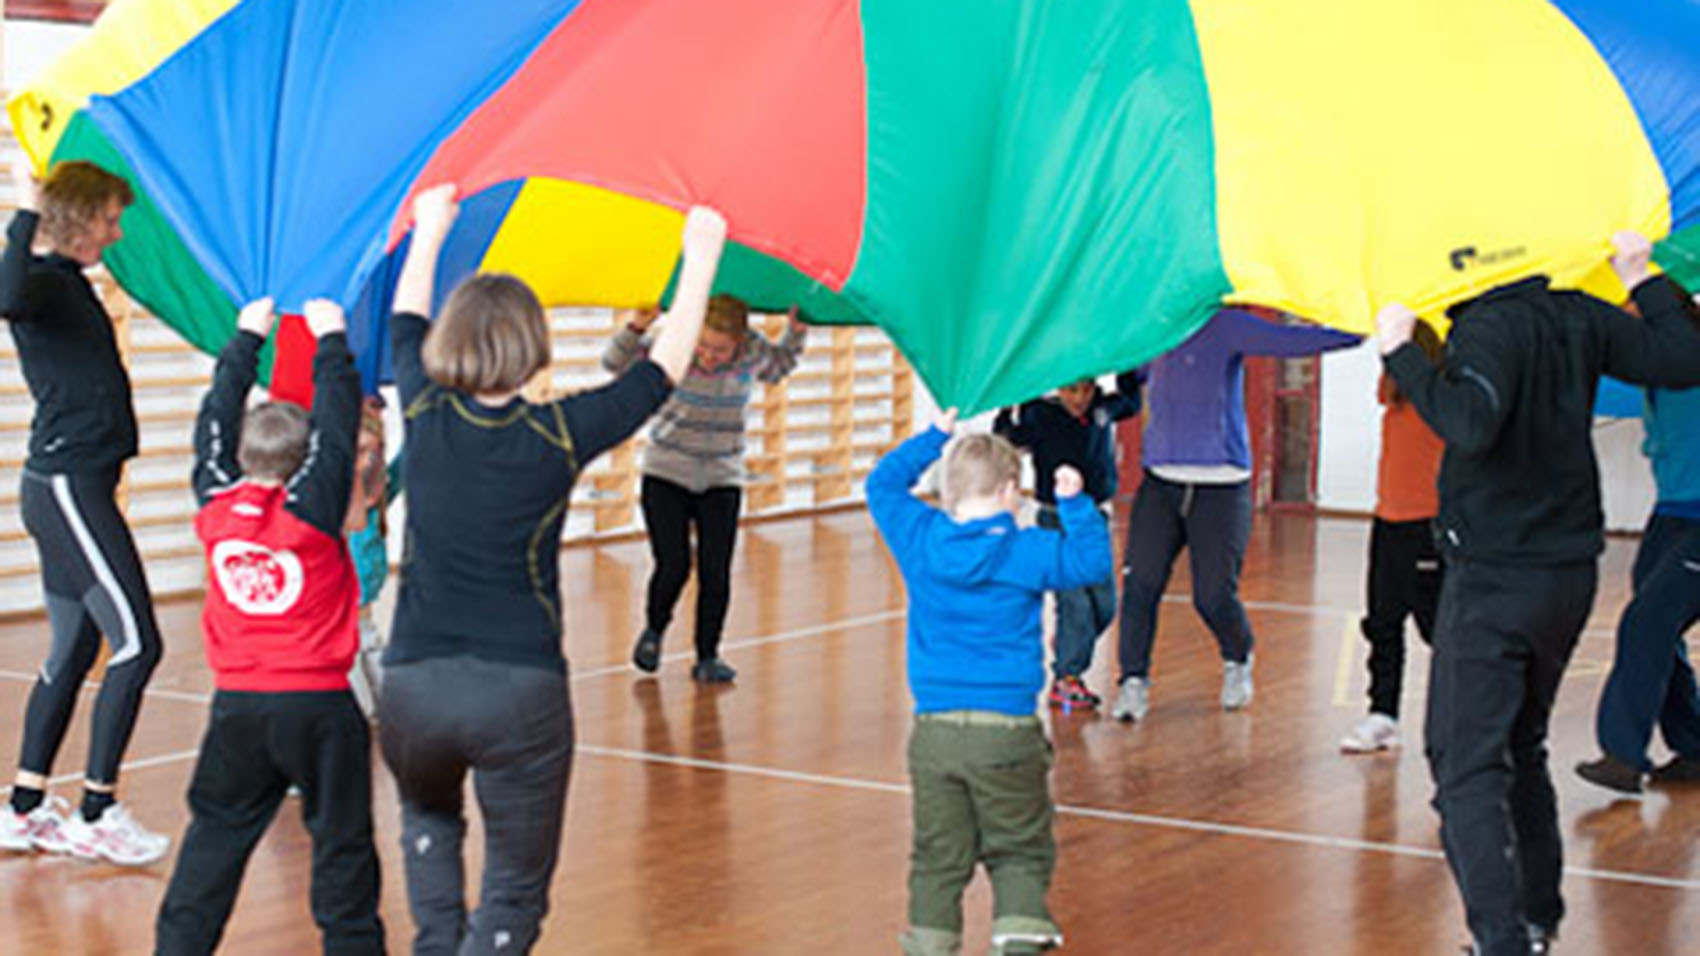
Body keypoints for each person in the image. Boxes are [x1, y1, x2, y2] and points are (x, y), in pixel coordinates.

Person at [378, 184, 727, 955]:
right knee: (513, 890)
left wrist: (430, 232)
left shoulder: (426, 409)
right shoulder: (557, 434)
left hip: (413, 687)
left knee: (427, 831)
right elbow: (656, 375)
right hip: (518, 692)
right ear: (532, 347)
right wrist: (697, 261)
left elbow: (405, 318)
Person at [1377, 232, 1700, 956]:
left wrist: (1402, 350)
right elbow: (1685, 358)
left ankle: (1503, 941)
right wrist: (1640, 276)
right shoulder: (1578, 314)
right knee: (1518, 744)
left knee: (1462, 767)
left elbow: (1468, 423)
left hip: (1497, 578)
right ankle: (1534, 916)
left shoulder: (1490, 327)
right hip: (1566, 576)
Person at [155, 297, 382, 954]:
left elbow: (212, 425)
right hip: (319, 708)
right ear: (308, 463)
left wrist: (246, 337)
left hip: (239, 709)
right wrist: (332, 338)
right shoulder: (311, 511)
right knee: (342, 845)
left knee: (215, 838)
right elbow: (338, 428)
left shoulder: (215, 504)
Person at [868, 411, 1111, 956]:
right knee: (1019, 850)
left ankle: (929, 946)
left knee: (936, 858)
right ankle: (1017, 940)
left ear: (948, 490)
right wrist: (1075, 504)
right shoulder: (1028, 550)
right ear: (1009, 490)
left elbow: (881, 483)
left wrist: (933, 437)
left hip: (934, 734)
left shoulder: (921, 537)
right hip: (1007, 732)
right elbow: (1091, 563)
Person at [0, 159, 169, 864]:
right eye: (108, 218)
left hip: (73, 486)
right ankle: (97, 812)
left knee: (73, 649)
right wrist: (26, 210)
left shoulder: (67, 284)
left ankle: (24, 808)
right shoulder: (36, 279)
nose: (117, 230)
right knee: (139, 644)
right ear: (72, 220)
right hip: (68, 487)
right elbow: (5, 296)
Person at [1111, 309, 1357, 723]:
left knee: (1213, 596)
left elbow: (1291, 341)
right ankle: (1132, 681)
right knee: (1139, 586)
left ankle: (1238, 656)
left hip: (1221, 486)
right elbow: (1117, 363)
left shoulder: (1225, 324)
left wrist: (1358, 331)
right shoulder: (1152, 326)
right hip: (1161, 482)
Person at [606, 298, 806, 683]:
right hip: (666, 473)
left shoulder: (752, 354)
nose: (710, 356)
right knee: (674, 564)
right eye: (704, 345)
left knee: (717, 572)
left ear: (739, 343)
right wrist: (634, 329)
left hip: (722, 476)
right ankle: (654, 630)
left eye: (720, 349)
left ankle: (708, 656)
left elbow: (779, 366)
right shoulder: (672, 345)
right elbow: (614, 364)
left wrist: (795, 334)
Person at [1575, 294, 1700, 793]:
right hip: (1672, 513)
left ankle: (1623, 754)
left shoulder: (1690, 357)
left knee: (1646, 622)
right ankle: (1693, 745)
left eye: (1629, 316)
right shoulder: (1657, 370)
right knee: (1655, 624)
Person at [993, 372, 1140, 709]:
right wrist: (1007, 407)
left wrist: (1128, 368)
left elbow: (1131, 402)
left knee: (1104, 605)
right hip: (1054, 520)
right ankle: (1066, 678)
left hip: (1092, 522)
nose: (1080, 398)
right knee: (1073, 603)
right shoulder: (1040, 413)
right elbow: (1008, 439)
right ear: (1059, 388)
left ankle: (1070, 644)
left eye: (1087, 389)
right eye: (1072, 390)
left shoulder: (1103, 408)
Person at [1341, 323, 1446, 753]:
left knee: (1438, 629)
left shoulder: (1439, 394)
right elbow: (1385, 389)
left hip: (1429, 525)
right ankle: (1383, 714)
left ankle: (1461, 714)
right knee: (1382, 623)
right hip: (1388, 522)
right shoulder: (1394, 391)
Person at [346, 395, 391, 717]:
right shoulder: (335, 494)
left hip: (364, 616)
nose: (366, 460)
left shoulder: (377, 489)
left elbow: (404, 463)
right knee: (359, 710)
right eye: (360, 452)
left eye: (372, 452)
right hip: (347, 621)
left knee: (390, 706)